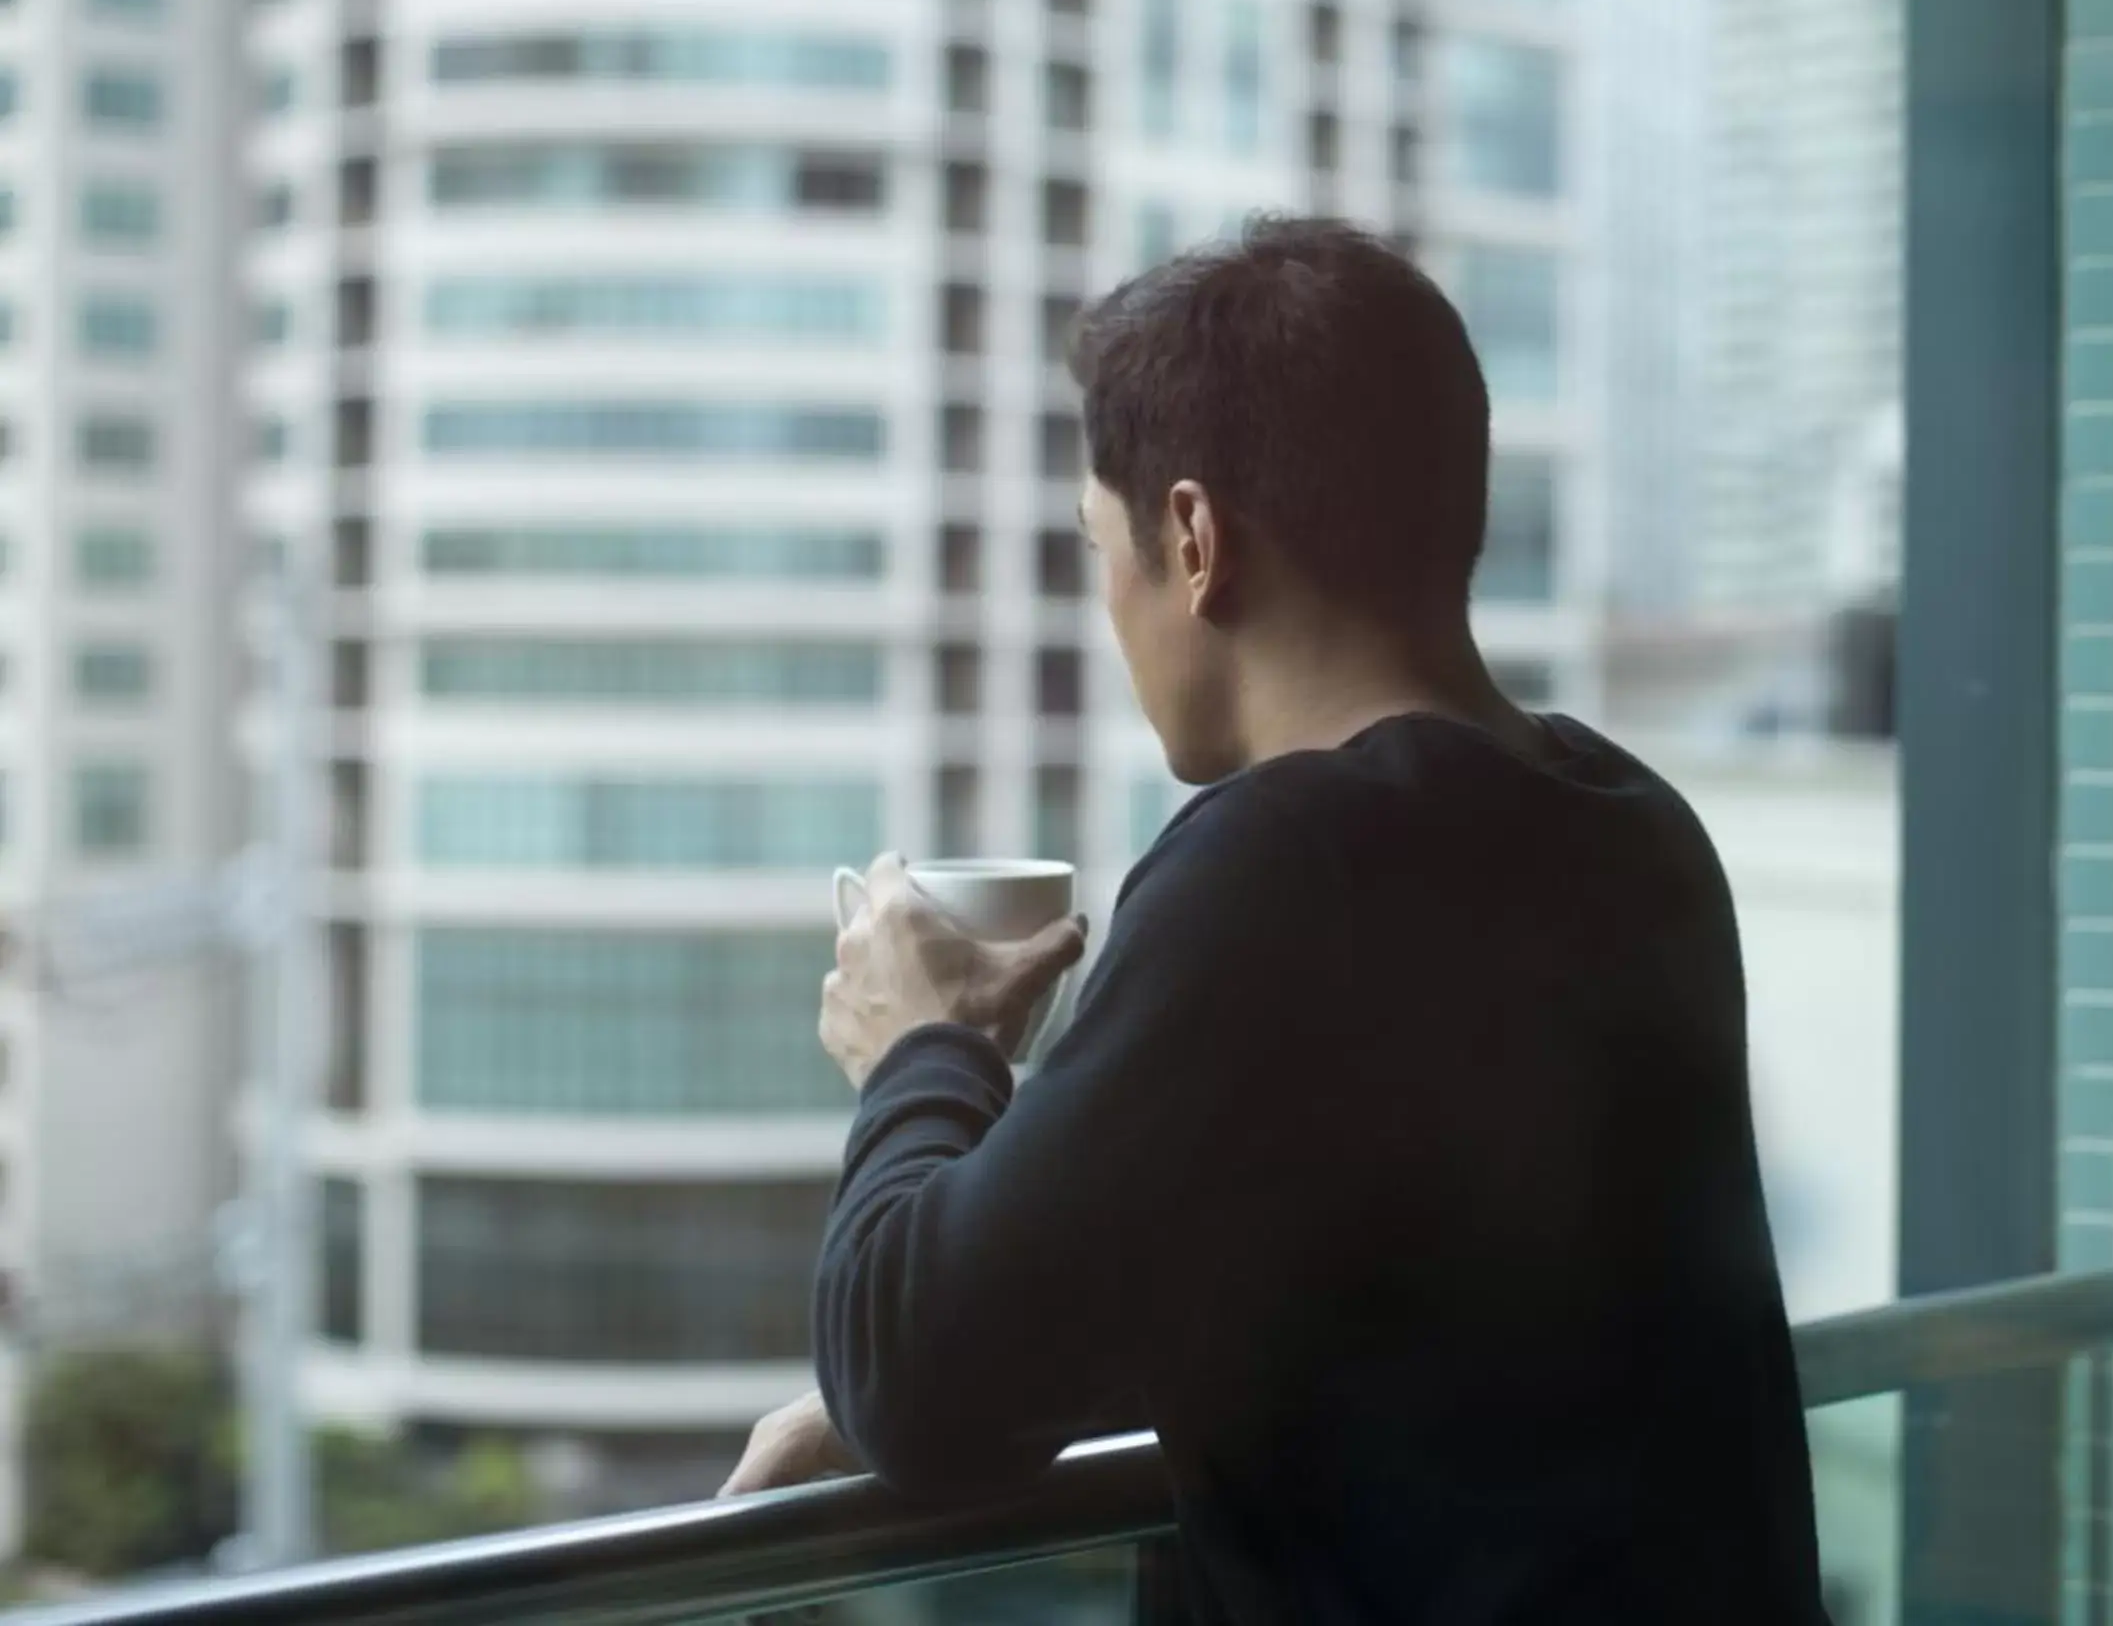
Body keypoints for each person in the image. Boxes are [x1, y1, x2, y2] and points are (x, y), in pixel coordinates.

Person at [725, 219, 1830, 1623]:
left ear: (1193, 539)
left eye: (1097, 547)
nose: (1111, 602)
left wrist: (920, 1052)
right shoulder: (1631, 823)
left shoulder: (1285, 864)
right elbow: (1428, 1308)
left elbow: (922, 1389)